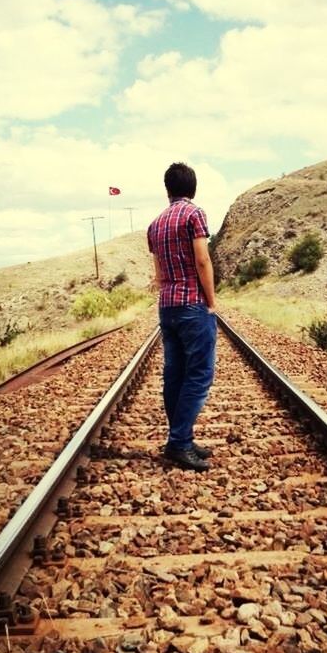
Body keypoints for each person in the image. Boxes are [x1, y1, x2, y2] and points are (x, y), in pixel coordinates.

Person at [147, 162, 217, 472]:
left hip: (167, 305)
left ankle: (182, 437)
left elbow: (159, 274)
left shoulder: (155, 225)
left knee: (174, 373)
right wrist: (211, 302)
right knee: (199, 374)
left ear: (167, 190)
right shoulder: (194, 214)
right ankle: (178, 443)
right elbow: (202, 260)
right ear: (193, 187)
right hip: (191, 304)